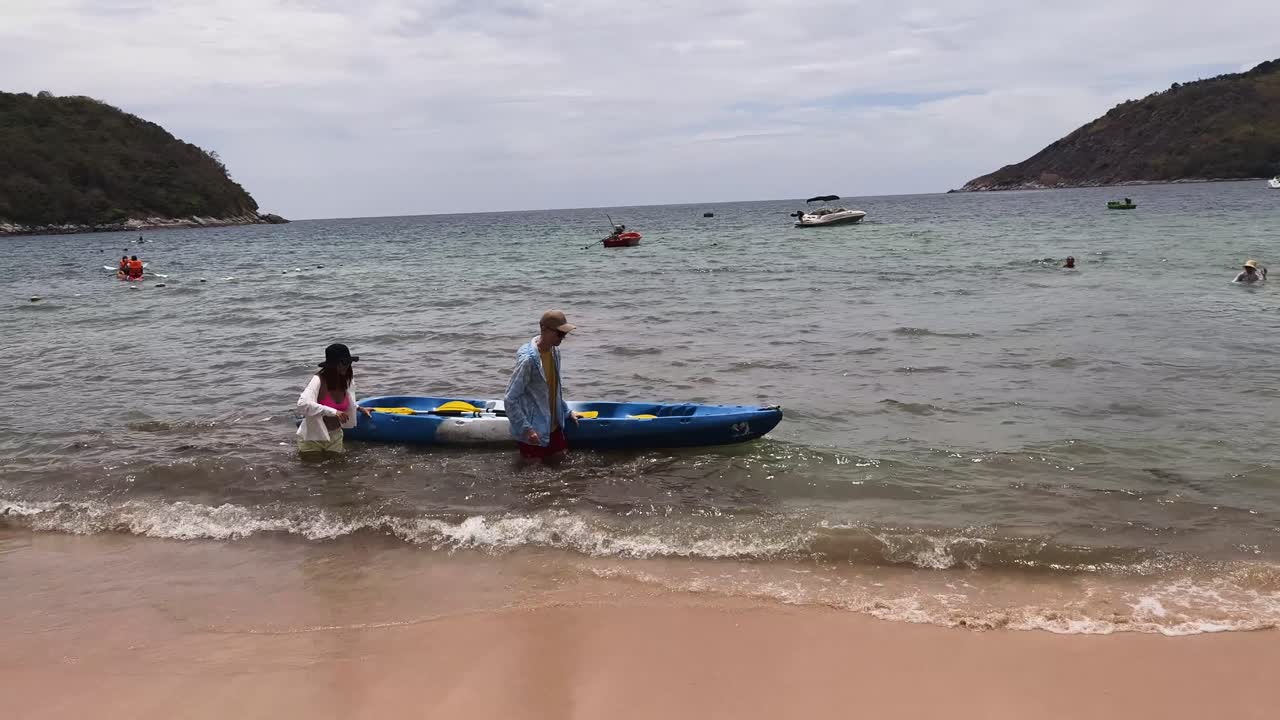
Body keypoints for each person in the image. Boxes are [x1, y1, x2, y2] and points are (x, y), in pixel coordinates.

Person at [504, 310, 584, 462]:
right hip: (534, 430)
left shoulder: (555, 352)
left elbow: (553, 390)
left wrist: (567, 412)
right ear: (544, 329)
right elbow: (510, 399)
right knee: (533, 474)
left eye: (564, 334)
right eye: (559, 334)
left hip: (554, 426)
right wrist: (527, 429)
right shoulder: (528, 361)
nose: (562, 338)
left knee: (561, 461)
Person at [296, 343, 372, 455]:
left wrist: (359, 408)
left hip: (335, 436)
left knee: (336, 470)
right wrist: (334, 412)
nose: (347, 365)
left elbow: (348, 401)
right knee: (312, 471)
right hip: (312, 437)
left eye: (349, 362)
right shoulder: (318, 380)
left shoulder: (345, 381)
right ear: (333, 364)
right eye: (343, 362)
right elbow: (302, 404)